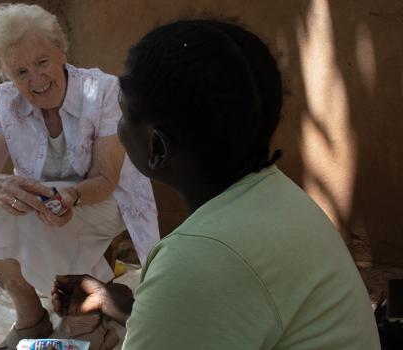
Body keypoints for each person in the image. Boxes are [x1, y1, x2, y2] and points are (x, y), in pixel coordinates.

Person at [52, 20, 381, 349]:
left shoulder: (199, 258)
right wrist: (133, 310)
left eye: (122, 113)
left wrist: (167, 302)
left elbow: (212, 279)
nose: (119, 127)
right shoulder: (277, 196)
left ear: (158, 147)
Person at [0, 4, 159, 350]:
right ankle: (31, 317)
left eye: (42, 62)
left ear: (61, 52)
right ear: (6, 75)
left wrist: (70, 196)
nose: (35, 80)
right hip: (46, 204)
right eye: (20, 72)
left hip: (106, 200)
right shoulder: (8, 102)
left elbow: (105, 179)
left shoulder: (103, 90)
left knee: (41, 222)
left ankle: (84, 320)